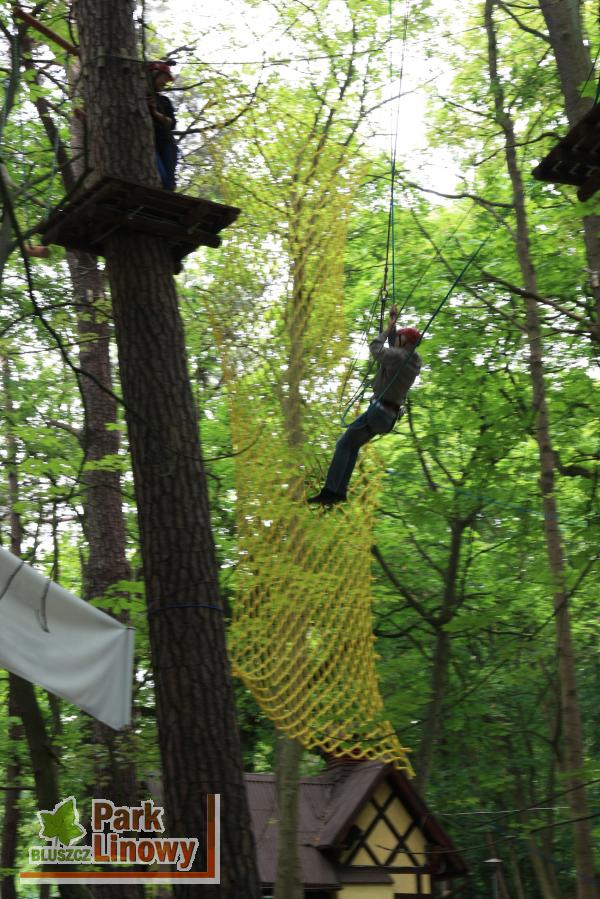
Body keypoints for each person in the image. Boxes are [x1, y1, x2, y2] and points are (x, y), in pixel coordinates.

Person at [308, 304, 422, 506]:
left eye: (399, 338)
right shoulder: (413, 360)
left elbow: (375, 348)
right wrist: (393, 324)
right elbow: (395, 349)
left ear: (404, 342)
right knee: (351, 445)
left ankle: (331, 491)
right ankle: (338, 491)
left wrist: (387, 330)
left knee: (343, 444)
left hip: (378, 412)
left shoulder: (398, 357)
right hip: (387, 418)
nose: (396, 340)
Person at [147, 61, 178, 191]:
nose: (165, 83)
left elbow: (172, 123)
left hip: (166, 142)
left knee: (169, 182)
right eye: (163, 79)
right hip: (149, 143)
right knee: (162, 177)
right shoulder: (140, 95)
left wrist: (155, 113)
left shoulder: (164, 101)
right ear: (153, 75)